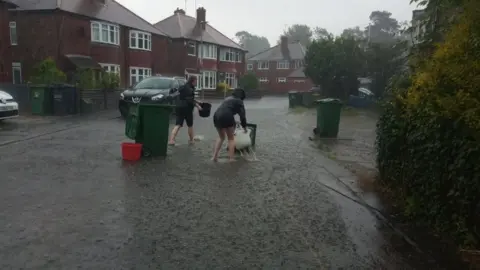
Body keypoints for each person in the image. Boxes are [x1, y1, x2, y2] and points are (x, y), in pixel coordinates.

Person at [212, 88, 248, 162]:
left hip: (216, 115)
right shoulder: (239, 101)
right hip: (227, 116)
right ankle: (231, 159)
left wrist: (234, 121)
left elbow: (225, 110)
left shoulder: (228, 98)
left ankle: (215, 157)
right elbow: (242, 116)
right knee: (231, 138)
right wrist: (244, 127)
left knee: (221, 137)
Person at [168, 76, 202, 145]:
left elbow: (184, 97)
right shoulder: (190, 89)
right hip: (187, 108)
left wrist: (197, 101)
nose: (196, 82)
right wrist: (197, 106)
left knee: (178, 124)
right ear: (193, 81)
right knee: (190, 125)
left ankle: (171, 140)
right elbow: (189, 100)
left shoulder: (183, 86)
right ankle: (191, 140)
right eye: (196, 81)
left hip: (179, 107)